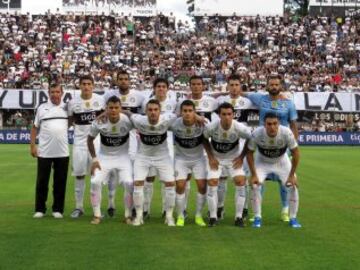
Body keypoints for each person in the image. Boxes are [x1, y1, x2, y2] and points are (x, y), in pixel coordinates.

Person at [243, 74, 298, 222]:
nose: (274, 87)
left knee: (284, 180)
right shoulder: (260, 98)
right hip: (262, 143)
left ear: (281, 86)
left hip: (282, 144)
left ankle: (285, 210)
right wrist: (219, 94)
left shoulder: (289, 104)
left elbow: (293, 125)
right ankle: (256, 212)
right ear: (267, 86)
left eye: (276, 84)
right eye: (271, 84)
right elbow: (240, 93)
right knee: (258, 179)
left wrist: (295, 145)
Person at [125, 99, 177, 226]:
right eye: (150, 110)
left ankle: (169, 216)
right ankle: (138, 216)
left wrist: (197, 115)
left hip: (162, 157)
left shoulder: (167, 118)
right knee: (138, 184)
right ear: (146, 111)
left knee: (170, 184)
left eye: (155, 110)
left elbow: (181, 114)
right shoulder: (139, 120)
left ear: (160, 111)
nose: (153, 113)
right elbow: (127, 112)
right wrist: (105, 113)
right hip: (143, 156)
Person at [247, 113, 301, 228]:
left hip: (282, 161)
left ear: (279, 124)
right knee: (255, 185)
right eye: (269, 124)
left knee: (293, 186)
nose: (272, 127)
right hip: (262, 162)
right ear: (264, 125)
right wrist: (253, 174)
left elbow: (296, 153)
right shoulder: (257, 134)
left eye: (275, 124)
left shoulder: (286, 132)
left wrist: (292, 175)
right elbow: (249, 153)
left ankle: (293, 218)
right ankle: (257, 217)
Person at [203, 102, 251, 227]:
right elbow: (203, 139)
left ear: (233, 115)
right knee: (212, 182)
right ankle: (213, 217)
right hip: (217, 159)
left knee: (241, 181)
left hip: (233, 159)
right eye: (223, 114)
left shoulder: (239, 127)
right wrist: (211, 157)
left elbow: (250, 139)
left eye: (229, 114)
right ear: (219, 115)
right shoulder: (212, 127)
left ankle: (238, 217)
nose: (227, 117)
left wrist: (241, 157)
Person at [87, 96, 134, 225]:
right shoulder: (99, 121)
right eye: (110, 108)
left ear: (120, 108)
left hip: (123, 158)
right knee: (95, 181)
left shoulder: (128, 121)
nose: (113, 110)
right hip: (104, 158)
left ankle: (128, 216)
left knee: (129, 183)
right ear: (106, 109)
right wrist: (95, 159)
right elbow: (90, 139)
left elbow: (139, 120)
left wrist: (126, 112)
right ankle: (97, 215)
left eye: (116, 108)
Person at [67, 75, 107, 218]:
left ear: (93, 85)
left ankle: (97, 209)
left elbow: (106, 117)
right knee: (79, 175)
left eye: (89, 84)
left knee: (96, 176)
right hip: (79, 144)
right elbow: (70, 121)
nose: (86, 86)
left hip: (96, 143)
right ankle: (79, 208)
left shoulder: (100, 100)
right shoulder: (72, 103)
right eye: (83, 83)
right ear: (79, 85)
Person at [216, 74, 253, 220]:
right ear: (227, 86)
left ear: (241, 86)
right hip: (226, 145)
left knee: (244, 179)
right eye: (231, 85)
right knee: (221, 178)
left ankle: (244, 209)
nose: (234, 87)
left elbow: (263, 97)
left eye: (237, 85)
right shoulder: (220, 101)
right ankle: (220, 207)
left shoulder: (248, 102)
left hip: (243, 145)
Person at [31, 83, 69, 219]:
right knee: (42, 181)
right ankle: (40, 209)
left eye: (57, 92)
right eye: (52, 92)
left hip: (62, 152)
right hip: (45, 152)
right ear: (49, 93)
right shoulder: (42, 108)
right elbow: (35, 128)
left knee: (60, 182)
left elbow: (72, 123)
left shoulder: (67, 107)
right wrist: (33, 146)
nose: (55, 94)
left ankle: (58, 209)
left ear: (62, 93)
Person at [141, 78, 177, 219]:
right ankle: (145, 209)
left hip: (167, 144)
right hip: (150, 144)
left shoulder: (173, 104)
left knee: (166, 179)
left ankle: (165, 209)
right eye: (158, 86)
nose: (161, 89)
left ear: (167, 89)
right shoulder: (146, 103)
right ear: (154, 88)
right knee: (148, 178)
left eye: (163, 86)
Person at [170, 100, 207, 227]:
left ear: (194, 112)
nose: (187, 113)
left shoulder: (201, 124)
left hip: (198, 159)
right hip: (181, 160)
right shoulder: (175, 124)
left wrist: (199, 118)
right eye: (185, 111)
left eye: (190, 111)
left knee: (202, 187)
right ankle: (180, 216)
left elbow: (215, 126)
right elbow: (161, 121)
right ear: (181, 112)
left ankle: (198, 215)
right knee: (180, 187)